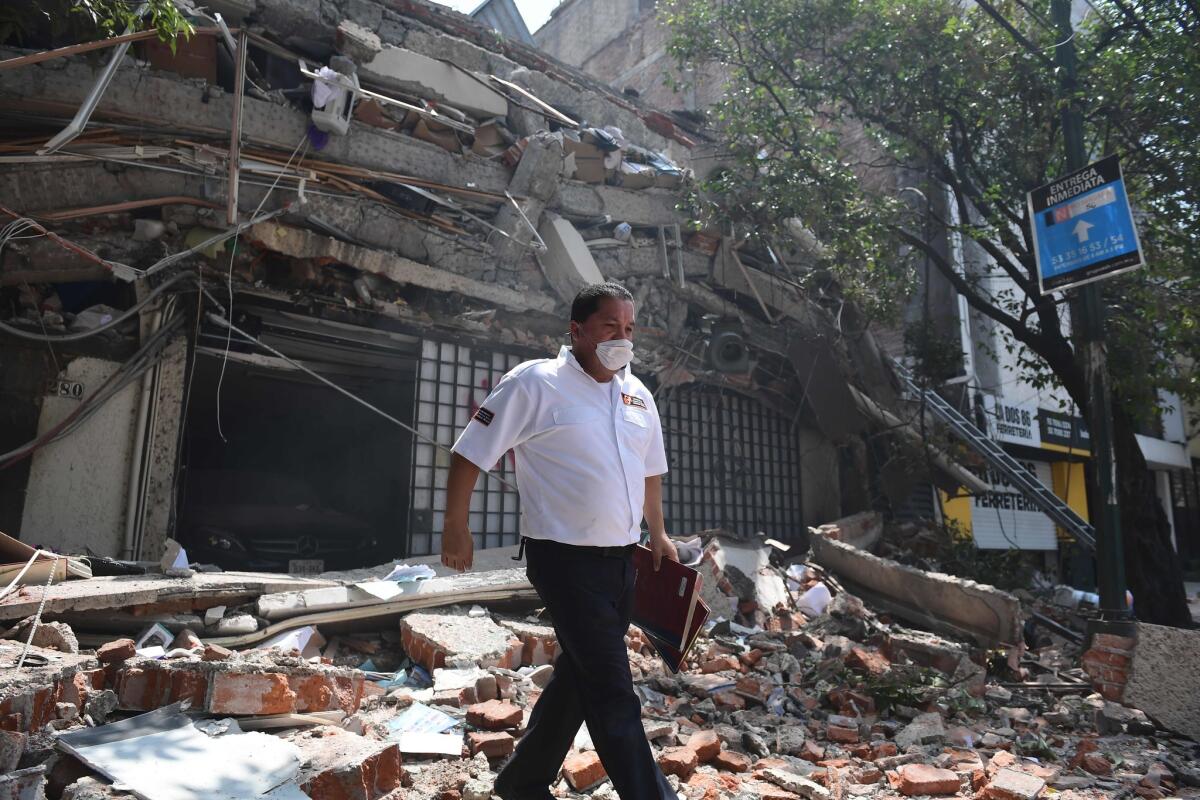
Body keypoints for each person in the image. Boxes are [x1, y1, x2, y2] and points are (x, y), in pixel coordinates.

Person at [441, 281, 678, 800]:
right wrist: (456, 524)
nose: (623, 338)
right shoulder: (536, 383)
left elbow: (650, 471)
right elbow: (470, 451)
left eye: (630, 328)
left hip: (622, 562)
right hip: (564, 561)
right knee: (613, 691)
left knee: (580, 674)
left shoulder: (637, 394)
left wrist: (657, 533)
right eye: (610, 327)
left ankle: (522, 782)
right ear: (577, 330)